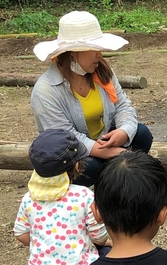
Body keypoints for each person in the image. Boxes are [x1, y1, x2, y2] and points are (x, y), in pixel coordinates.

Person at [31, 11, 152, 187]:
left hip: (104, 139)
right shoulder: (45, 91)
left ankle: (116, 176)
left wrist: (123, 131)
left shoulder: (102, 71)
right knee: (89, 167)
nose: (100, 54)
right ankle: (115, 175)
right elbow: (64, 136)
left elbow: (122, 105)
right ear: (73, 53)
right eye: (94, 48)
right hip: (72, 151)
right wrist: (108, 152)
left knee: (141, 134)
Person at [14, 129, 109, 265]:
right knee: (107, 252)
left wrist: (46, 242)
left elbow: (21, 234)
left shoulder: (29, 198)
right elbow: (98, 237)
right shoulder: (84, 195)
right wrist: (109, 242)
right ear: (78, 165)